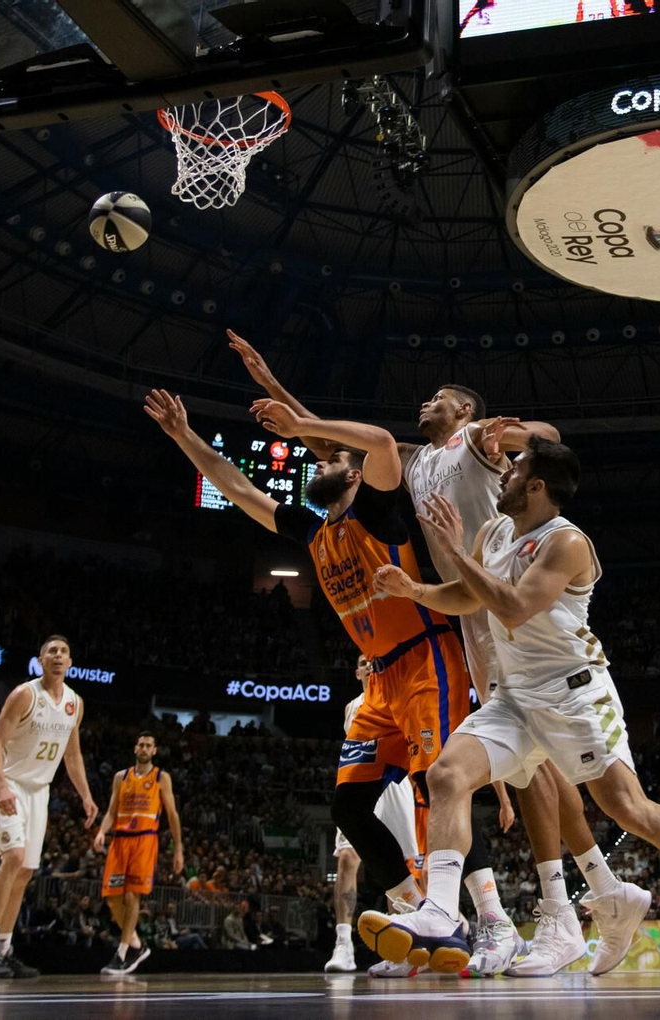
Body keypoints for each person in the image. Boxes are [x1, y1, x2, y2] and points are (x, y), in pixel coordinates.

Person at [230, 334, 630, 976]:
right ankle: (584, 898)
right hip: (470, 615)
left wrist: (521, 435)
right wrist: (278, 390)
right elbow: (340, 453)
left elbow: (548, 437)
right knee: (520, 771)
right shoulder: (417, 462)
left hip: (508, 600)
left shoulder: (476, 443)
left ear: (466, 413)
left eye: (441, 396)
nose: (426, 400)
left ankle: (568, 905)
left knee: (550, 771)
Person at [363, 439, 660, 976]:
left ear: (537, 486)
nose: (503, 473)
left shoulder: (566, 543)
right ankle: (439, 913)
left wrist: (450, 551)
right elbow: (468, 596)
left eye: (514, 468)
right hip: (516, 697)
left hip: (575, 694)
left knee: (630, 810)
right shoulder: (494, 531)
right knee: (447, 774)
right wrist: (415, 590)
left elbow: (513, 607)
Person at [144, 388, 504, 971]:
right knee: (349, 804)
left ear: (356, 477)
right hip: (381, 680)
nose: (319, 464)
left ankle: (491, 921)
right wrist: (184, 436)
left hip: (426, 660)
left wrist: (303, 421)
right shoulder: (313, 534)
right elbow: (236, 487)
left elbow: (384, 443)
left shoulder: (378, 510)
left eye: (331, 460)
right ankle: (414, 914)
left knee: (438, 783)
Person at [0, 635, 98, 978]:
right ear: (40, 661)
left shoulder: (75, 702)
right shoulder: (24, 694)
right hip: (9, 784)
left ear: (71, 662)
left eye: (63, 652)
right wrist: (0, 785)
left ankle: (3, 948)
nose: (58, 656)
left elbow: (72, 755)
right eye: (51, 652)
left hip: (38, 791)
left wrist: (86, 796)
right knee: (13, 857)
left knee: (27, 871)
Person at [325, 655, 422, 975]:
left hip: (394, 783)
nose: (368, 665)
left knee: (398, 865)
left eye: (372, 661)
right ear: (357, 672)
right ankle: (343, 944)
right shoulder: (350, 707)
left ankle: (403, 948)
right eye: (362, 662)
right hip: (359, 778)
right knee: (346, 859)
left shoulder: (396, 693)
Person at [93, 732, 185, 975]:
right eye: (141, 745)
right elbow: (111, 811)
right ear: (135, 749)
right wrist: (101, 832)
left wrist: (179, 848)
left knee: (133, 896)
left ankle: (122, 953)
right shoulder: (120, 777)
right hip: (120, 841)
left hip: (145, 839)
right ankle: (136, 943)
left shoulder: (161, 777)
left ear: (154, 751)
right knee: (112, 898)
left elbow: (172, 814)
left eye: (148, 745)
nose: (144, 748)